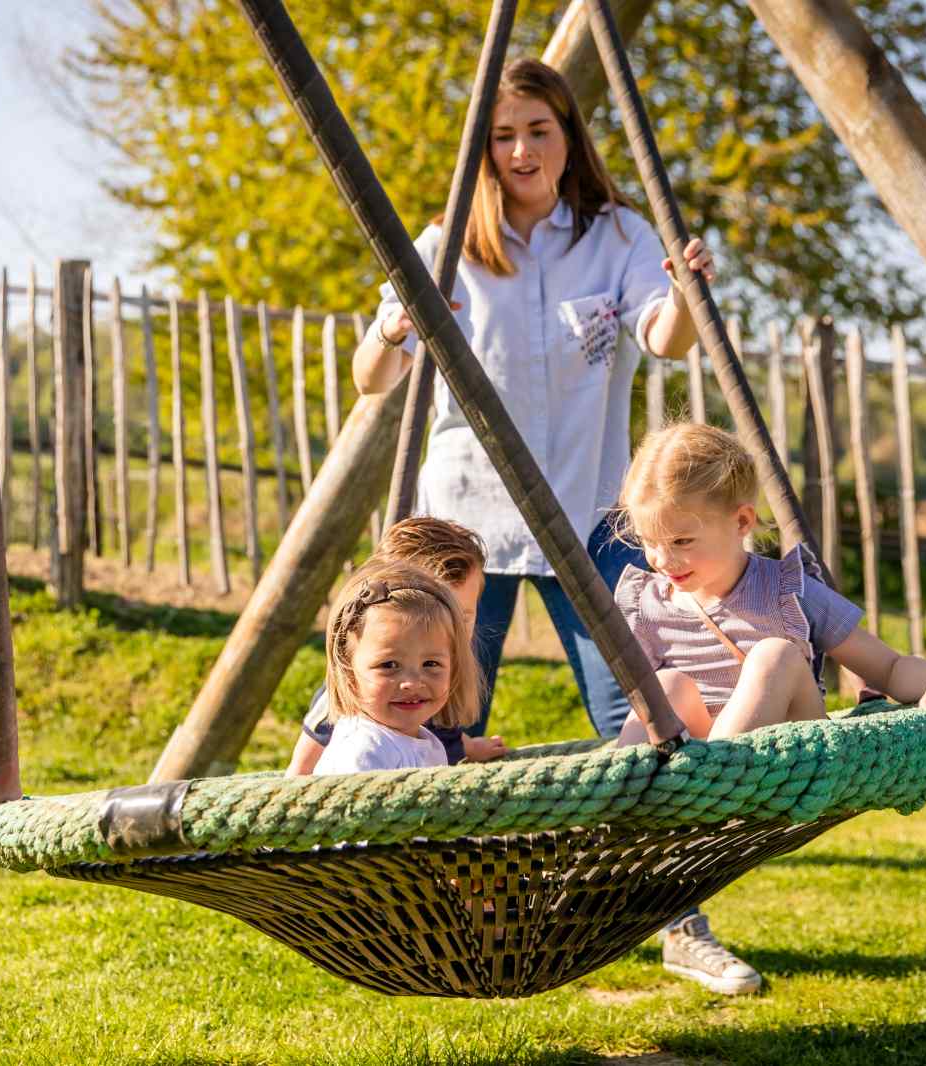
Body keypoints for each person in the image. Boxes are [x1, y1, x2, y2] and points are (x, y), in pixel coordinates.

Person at [350, 56, 748, 991]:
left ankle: (676, 921)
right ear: (480, 152)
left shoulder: (614, 236)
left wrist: (688, 296)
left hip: (590, 516)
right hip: (462, 524)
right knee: (435, 721)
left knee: (650, 717)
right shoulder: (447, 242)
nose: (522, 149)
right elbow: (373, 378)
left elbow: (662, 336)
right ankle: (440, 916)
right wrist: (400, 323)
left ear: (568, 137)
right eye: (502, 134)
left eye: (539, 129)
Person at [607, 422, 926, 990]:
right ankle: (613, 826)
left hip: (787, 756)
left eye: (683, 541)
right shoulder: (648, 602)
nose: (664, 558)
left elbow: (887, 668)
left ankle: (710, 781)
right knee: (665, 687)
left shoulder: (785, 589)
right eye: (650, 541)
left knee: (773, 654)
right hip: (695, 766)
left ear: (742, 522)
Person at [286, 516, 507, 776]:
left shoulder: (432, 668)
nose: (444, 632)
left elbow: (441, 729)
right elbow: (302, 764)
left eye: (462, 617)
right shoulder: (360, 732)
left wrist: (469, 747)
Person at [312, 561, 482, 776]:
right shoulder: (364, 752)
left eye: (431, 664)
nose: (412, 683)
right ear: (348, 671)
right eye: (389, 665)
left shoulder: (426, 741)